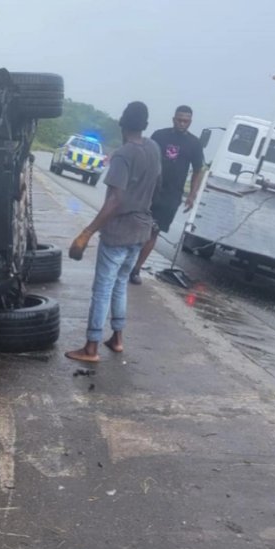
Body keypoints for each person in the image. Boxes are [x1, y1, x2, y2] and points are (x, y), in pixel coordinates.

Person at [65, 101, 161, 363]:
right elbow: (156, 185)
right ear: (145, 125)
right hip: (141, 230)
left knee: (103, 288)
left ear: (122, 124)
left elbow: (115, 200)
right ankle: (117, 339)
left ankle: (91, 347)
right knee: (120, 284)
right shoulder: (153, 148)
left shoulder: (123, 155)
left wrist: (87, 232)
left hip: (119, 232)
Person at [128, 105, 205, 285]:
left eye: (185, 121)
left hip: (171, 195)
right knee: (136, 226)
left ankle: (136, 268)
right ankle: (124, 261)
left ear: (190, 122)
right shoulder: (159, 136)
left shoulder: (194, 144)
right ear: (173, 119)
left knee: (154, 231)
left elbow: (198, 170)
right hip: (149, 189)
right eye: (179, 119)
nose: (181, 123)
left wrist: (192, 195)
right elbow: (144, 156)